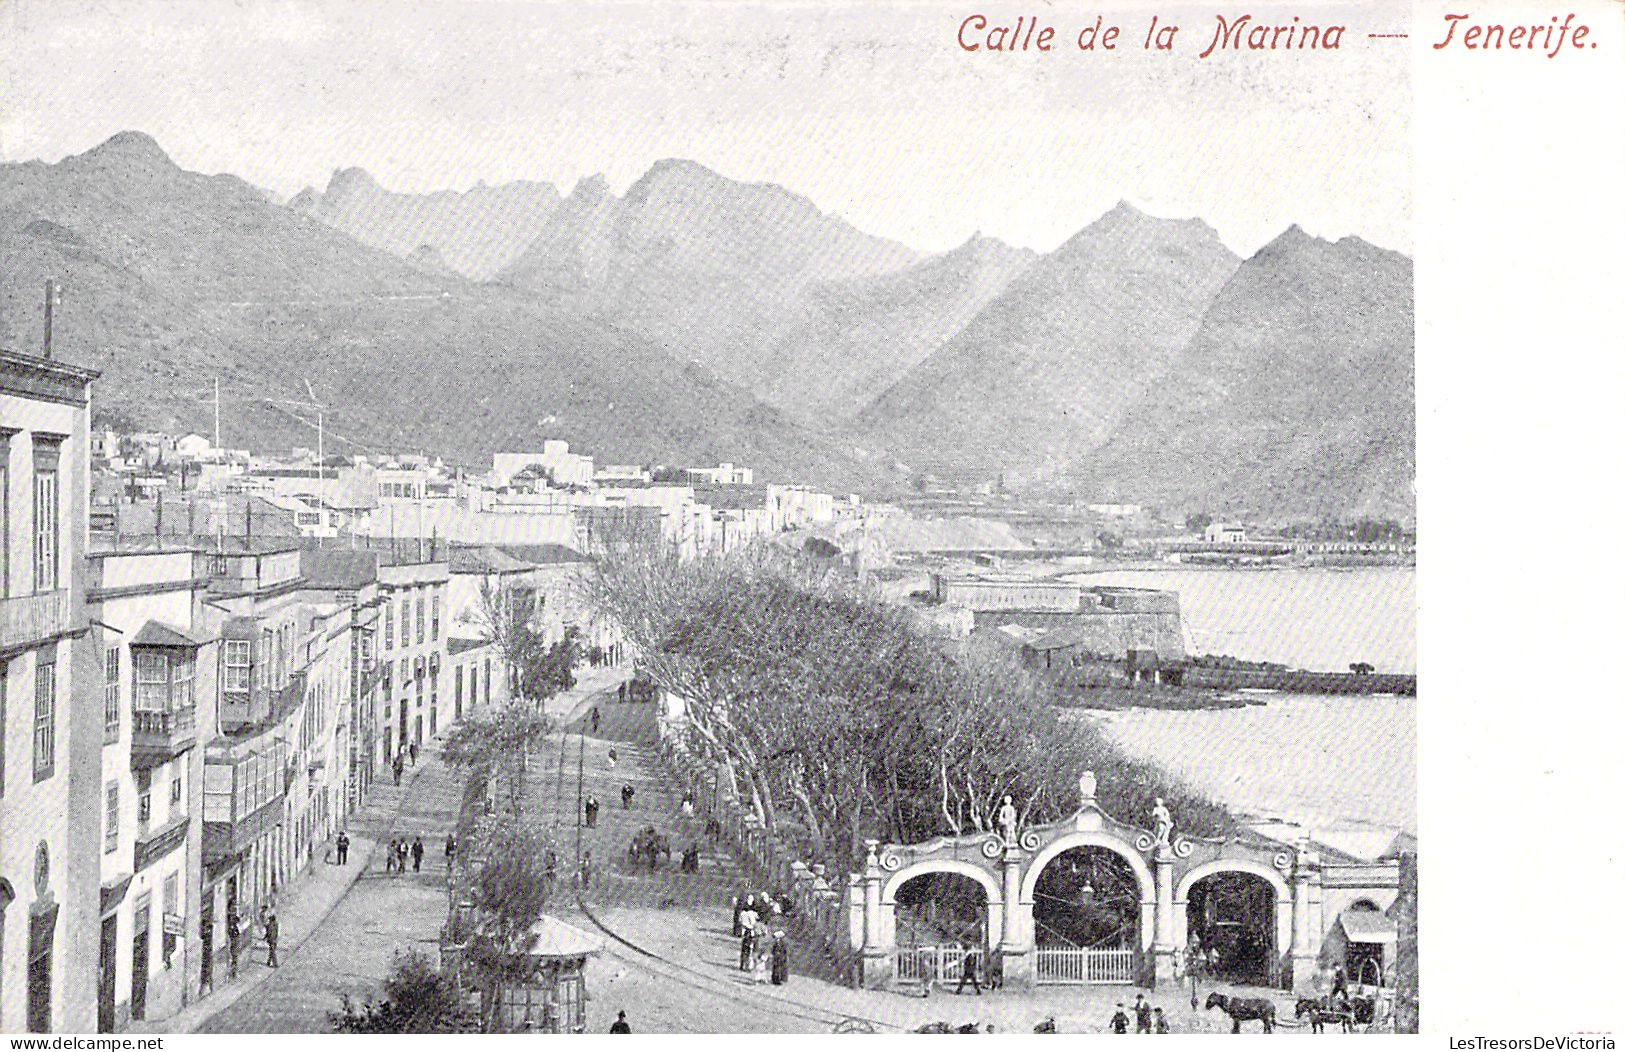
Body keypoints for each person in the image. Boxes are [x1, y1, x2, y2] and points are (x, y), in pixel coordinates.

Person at [226, 906, 242, 980]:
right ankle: (233, 974)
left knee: (234, 960)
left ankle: (234, 973)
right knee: (234, 960)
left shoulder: (234, 927)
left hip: (235, 945)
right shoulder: (233, 928)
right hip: (234, 945)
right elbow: (234, 936)